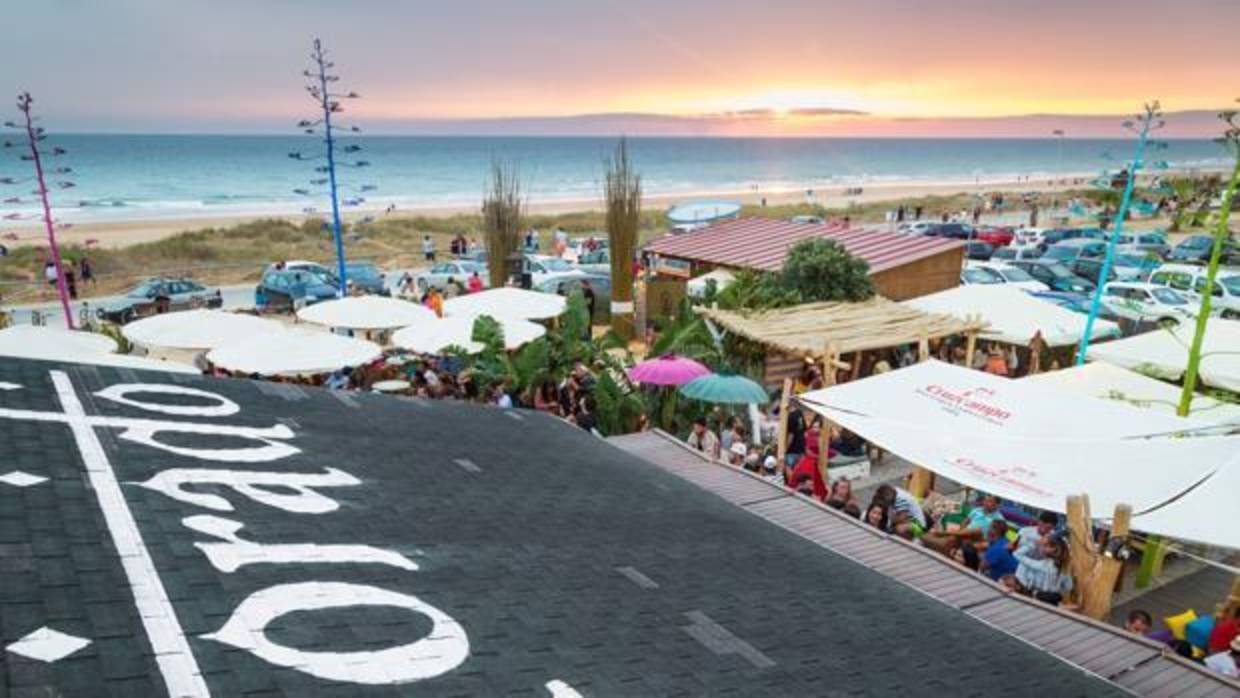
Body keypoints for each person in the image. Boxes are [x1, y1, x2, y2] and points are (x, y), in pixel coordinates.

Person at [1013, 536, 1072, 606]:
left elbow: (1017, 554)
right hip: (1053, 602)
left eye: (1045, 546)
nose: (1041, 548)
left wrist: (1033, 543)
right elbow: (1068, 586)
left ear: (1053, 549)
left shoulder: (1041, 566)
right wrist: (1055, 592)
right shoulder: (1063, 568)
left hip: (1038, 601)